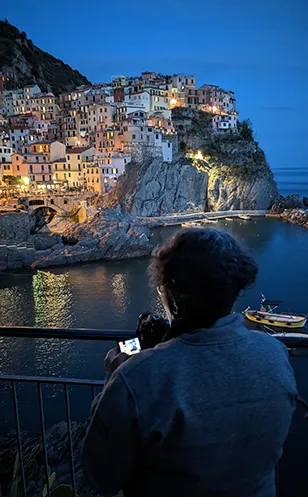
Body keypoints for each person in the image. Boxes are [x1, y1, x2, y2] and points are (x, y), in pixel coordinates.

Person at [82, 228, 297, 497]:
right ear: (236, 288)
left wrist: (113, 380)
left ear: (171, 293)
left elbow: (99, 476)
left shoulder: (137, 378)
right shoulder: (275, 354)